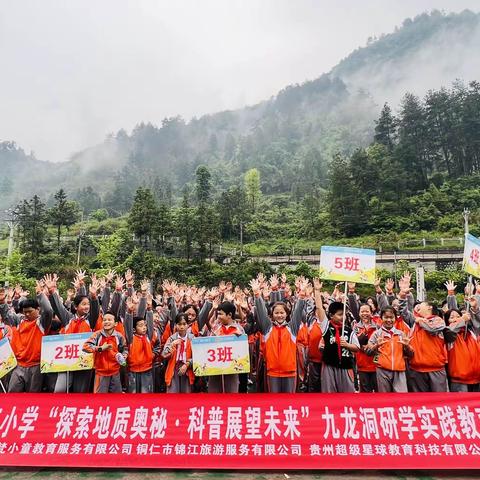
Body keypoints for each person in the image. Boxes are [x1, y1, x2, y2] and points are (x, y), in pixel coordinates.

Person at [251, 277, 307, 393]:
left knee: (288, 403)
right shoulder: (268, 328)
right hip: (272, 372)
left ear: (287, 314)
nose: (279, 315)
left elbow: (297, 312)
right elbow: (261, 312)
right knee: (274, 402)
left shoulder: (292, 328)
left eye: (282, 312)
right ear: (272, 314)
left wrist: (301, 296)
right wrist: (257, 295)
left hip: (290, 372)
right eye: (276, 313)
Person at [8, 283, 53, 392]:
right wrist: (5, 301)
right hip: (18, 364)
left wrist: (40, 294)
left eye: (30, 311)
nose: (27, 314)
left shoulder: (42, 322)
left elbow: (48, 311)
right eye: (25, 312)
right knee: (12, 393)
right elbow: (6, 313)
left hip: (36, 365)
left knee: (32, 396)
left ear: (38, 309)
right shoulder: (19, 320)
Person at [366, 306, 413, 392]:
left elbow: (411, 355)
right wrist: (376, 346)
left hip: (399, 371)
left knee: (401, 398)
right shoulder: (376, 334)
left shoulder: (401, 334)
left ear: (395, 318)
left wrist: (407, 346)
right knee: (385, 398)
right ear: (381, 318)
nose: (389, 320)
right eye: (386, 317)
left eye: (391, 317)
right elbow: (368, 352)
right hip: (382, 370)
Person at [83, 311, 127, 393]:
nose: (106, 322)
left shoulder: (119, 336)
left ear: (116, 323)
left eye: (109, 320)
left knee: (117, 400)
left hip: (115, 372)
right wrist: (100, 348)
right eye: (104, 320)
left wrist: (124, 355)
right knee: (100, 400)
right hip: (100, 373)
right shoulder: (97, 335)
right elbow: (85, 347)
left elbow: (125, 348)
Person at [320, 301, 360, 393]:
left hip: (346, 366)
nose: (343, 317)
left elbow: (357, 347)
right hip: (329, 366)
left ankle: (346, 408)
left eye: (344, 314)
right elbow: (319, 309)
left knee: (347, 395)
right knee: (329, 393)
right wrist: (317, 291)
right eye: (340, 314)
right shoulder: (326, 327)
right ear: (331, 315)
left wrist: (347, 345)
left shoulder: (349, 331)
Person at [125, 295, 160, 393]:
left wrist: (149, 310)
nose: (144, 327)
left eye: (145, 325)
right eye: (140, 326)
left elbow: (149, 324)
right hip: (133, 370)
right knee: (133, 392)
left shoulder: (148, 336)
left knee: (146, 392)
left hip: (147, 369)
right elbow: (127, 325)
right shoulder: (131, 338)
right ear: (134, 329)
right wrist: (129, 312)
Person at [162, 313, 195, 393]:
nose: (182, 327)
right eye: (179, 324)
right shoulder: (172, 338)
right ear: (176, 325)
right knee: (173, 393)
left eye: (184, 324)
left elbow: (197, 356)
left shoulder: (192, 338)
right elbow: (164, 354)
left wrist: (187, 364)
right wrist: (172, 345)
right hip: (174, 368)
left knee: (187, 394)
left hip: (187, 368)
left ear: (188, 325)